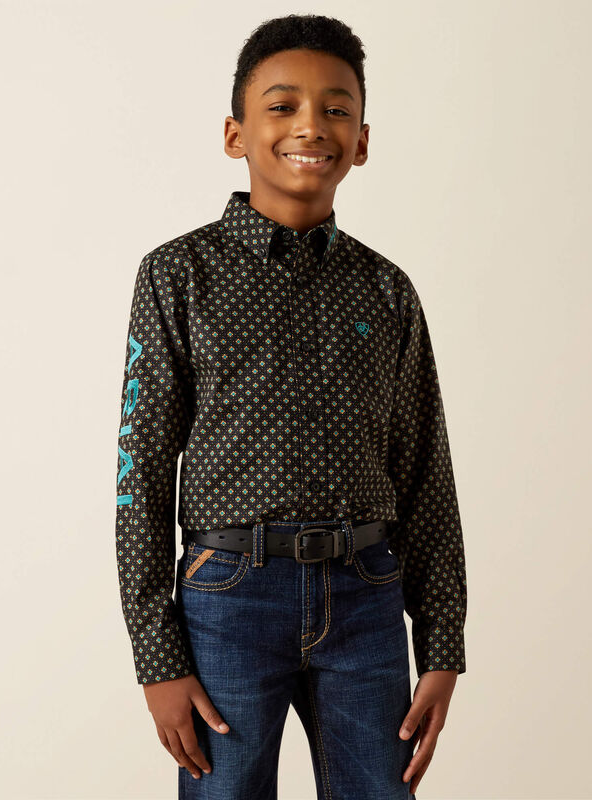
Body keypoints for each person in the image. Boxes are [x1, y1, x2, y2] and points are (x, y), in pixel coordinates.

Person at [115, 13, 467, 799]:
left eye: (336, 109)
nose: (312, 125)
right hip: (228, 603)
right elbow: (141, 475)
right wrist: (157, 655)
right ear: (235, 134)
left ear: (362, 141)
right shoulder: (179, 276)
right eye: (283, 106)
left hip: (368, 600)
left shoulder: (387, 290)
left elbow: (425, 471)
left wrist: (442, 641)